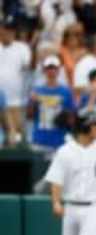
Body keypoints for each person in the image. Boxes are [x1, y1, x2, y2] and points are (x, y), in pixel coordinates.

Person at [28, 55, 76, 151]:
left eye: (54, 68)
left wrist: (65, 118)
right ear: (44, 70)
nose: (51, 71)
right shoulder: (36, 91)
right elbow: (30, 116)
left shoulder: (66, 91)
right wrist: (33, 103)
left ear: (59, 70)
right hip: (40, 139)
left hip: (60, 139)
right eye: (49, 68)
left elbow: (72, 117)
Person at [0, 16, 32, 146]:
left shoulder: (22, 48)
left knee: (15, 138)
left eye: (11, 30)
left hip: (16, 101)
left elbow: (28, 69)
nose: (9, 32)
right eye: (6, 29)